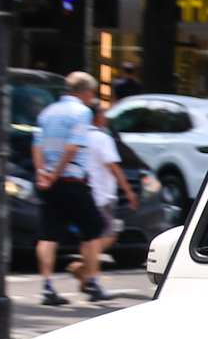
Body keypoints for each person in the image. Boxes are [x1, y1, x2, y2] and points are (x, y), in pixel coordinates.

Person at [30, 77, 104, 307]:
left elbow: (36, 146)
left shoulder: (47, 112)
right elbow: (73, 147)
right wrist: (58, 173)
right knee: (93, 230)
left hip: (50, 184)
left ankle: (47, 285)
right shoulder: (82, 112)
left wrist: (43, 172)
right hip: (72, 181)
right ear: (87, 91)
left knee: (48, 235)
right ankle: (92, 282)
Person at [59, 73, 133, 303]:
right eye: (103, 114)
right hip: (103, 195)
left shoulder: (81, 136)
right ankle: (86, 270)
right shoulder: (102, 138)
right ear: (96, 118)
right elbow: (114, 167)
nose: (106, 119)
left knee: (93, 236)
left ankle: (85, 272)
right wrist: (127, 190)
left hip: (84, 192)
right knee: (107, 235)